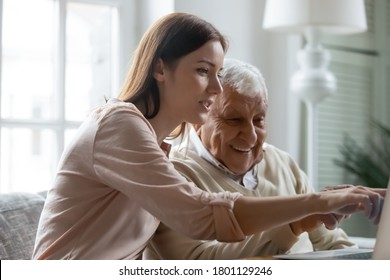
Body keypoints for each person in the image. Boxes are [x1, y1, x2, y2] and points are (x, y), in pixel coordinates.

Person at [32, 13, 383, 260]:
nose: (215, 88)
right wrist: (314, 203)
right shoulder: (119, 124)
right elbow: (200, 215)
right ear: (159, 68)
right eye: (202, 71)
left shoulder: (155, 145)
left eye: (217, 73)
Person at [143, 58, 381, 260]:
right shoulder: (172, 175)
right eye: (233, 120)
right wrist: (294, 224)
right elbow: (199, 263)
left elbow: (331, 243)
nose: (251, 136)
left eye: (259, 120)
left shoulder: (281, 162)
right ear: (199, 121)